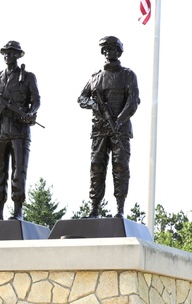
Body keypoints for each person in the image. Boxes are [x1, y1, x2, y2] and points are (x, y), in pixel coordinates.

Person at [77, 35, 140, 219]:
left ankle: (120, 209)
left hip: (120, 129)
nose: (109, 52)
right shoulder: (95, 78)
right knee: (97, 167)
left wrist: (119, 120)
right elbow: (81, 98)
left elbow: (133, 101)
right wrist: (93, 104)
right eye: (106, 49)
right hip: (99, 130)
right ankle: (94, 208)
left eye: (113, 49)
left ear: (119, 52)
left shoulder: (128, 75)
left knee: (120, 167)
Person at [0, 40, 40, 222]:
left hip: (19, 131)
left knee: (18, 172)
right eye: (5, 53)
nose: (8, 55)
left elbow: (36, 100)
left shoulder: (28, 77)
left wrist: (30, 113)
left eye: (11, 52)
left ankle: (17, 211)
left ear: (18, 55)